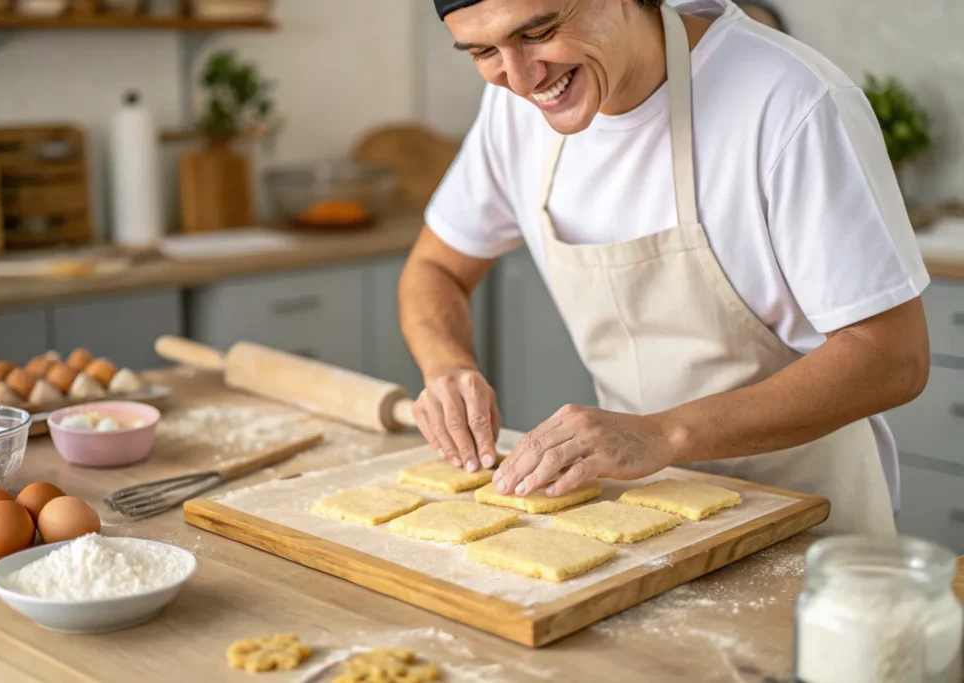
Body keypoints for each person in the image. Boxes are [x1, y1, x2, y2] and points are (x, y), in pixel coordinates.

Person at [398, 0, 931, 534]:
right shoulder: (514, 113)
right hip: (640, 525)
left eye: (539, 32)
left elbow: (892, 357)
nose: (518, 79)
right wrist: (446, 366)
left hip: (809, 524)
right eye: (484, 51)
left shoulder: (789, 99)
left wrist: (664, 434)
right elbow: (435, 270)